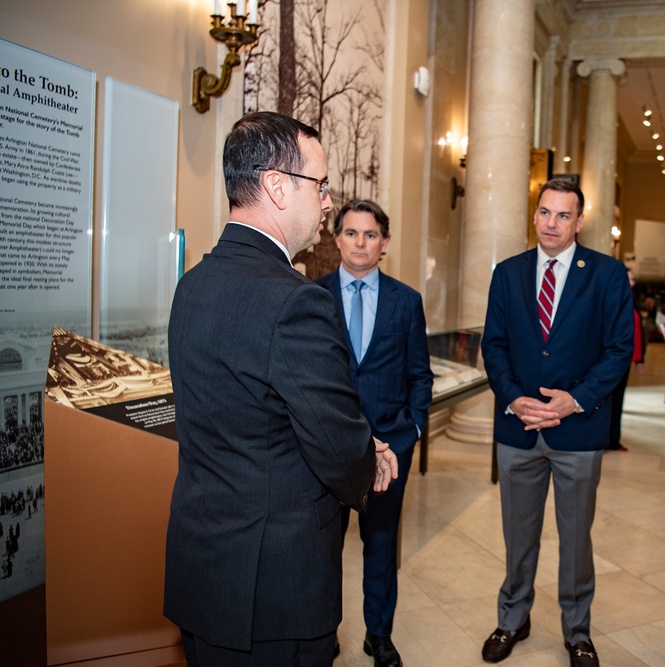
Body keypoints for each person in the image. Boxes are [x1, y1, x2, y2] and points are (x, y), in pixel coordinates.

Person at [164, 111, 398, 666]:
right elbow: (335, 445)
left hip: (204, 570)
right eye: (319, 185)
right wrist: (370, 455)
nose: (326, 202)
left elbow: (246, 419)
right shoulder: (295, 300)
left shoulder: (192, 285)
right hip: (274, 588)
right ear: (276, 185)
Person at [480, 178, 633, 667]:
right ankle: (512, 619)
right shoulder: (507, 273)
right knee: (517, 534)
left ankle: (577, 631)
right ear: (535, 215)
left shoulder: (607, 275)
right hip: (519, 428)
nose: (552, 223)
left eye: (563, 215)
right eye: (545, 212)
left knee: (575, 540)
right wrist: (514, 398)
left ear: (579, 221)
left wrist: (576, 401)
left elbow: (618, 351)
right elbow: (494, 345)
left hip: (578, 431)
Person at [316, 200, 434, 667]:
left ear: (384, 243)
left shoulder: (407, 302)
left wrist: (411, 433)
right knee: (322, 550)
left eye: (370, 235)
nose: (360, 242)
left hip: (390, 453)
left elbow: (420, 377)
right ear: (337, 238)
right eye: (351, 233)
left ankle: (378, 636)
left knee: (381, 548)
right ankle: (322, 633)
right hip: (328, 450)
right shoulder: (313, 297)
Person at [607, 268, 646, 452]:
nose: (632, 282)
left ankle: (613, 439)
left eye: (632, 279)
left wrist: (640, 357)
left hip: (625, 357)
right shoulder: (613, 299)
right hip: (612, 358)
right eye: (628, 278)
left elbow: (638, 330)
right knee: (608, 400)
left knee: (617, 400)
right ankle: (607, 439)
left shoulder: (629, 299)